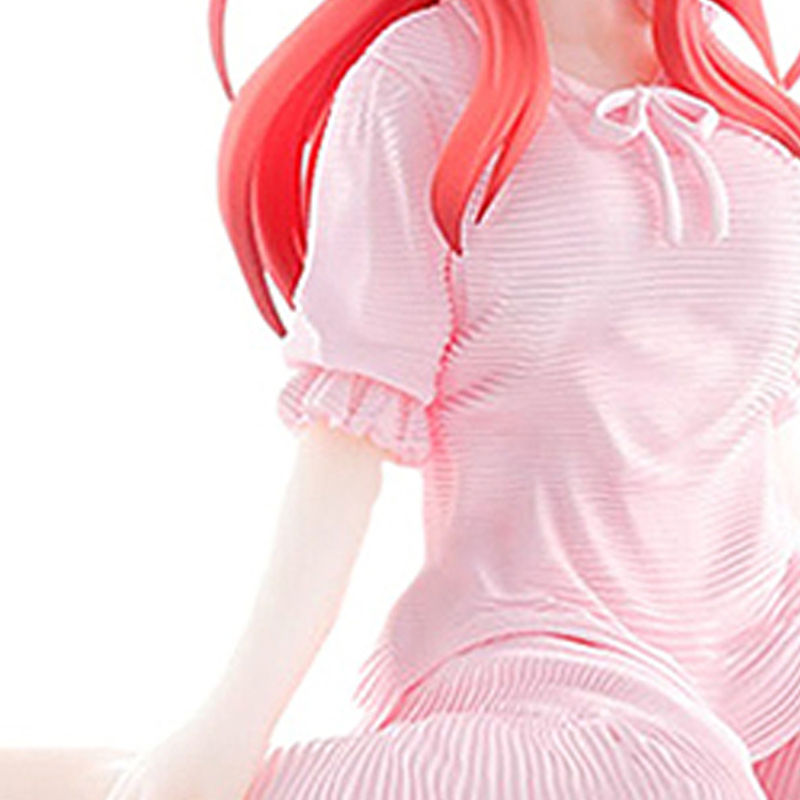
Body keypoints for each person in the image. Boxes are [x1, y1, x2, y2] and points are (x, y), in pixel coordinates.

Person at [106, 0, 800, 797]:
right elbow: (343, 453)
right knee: (671, 779)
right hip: (537, 648)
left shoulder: (721, 69)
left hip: (761, 645)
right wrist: (228, 730)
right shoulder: (420, 78)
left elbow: (751, 418)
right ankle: (108, 783)